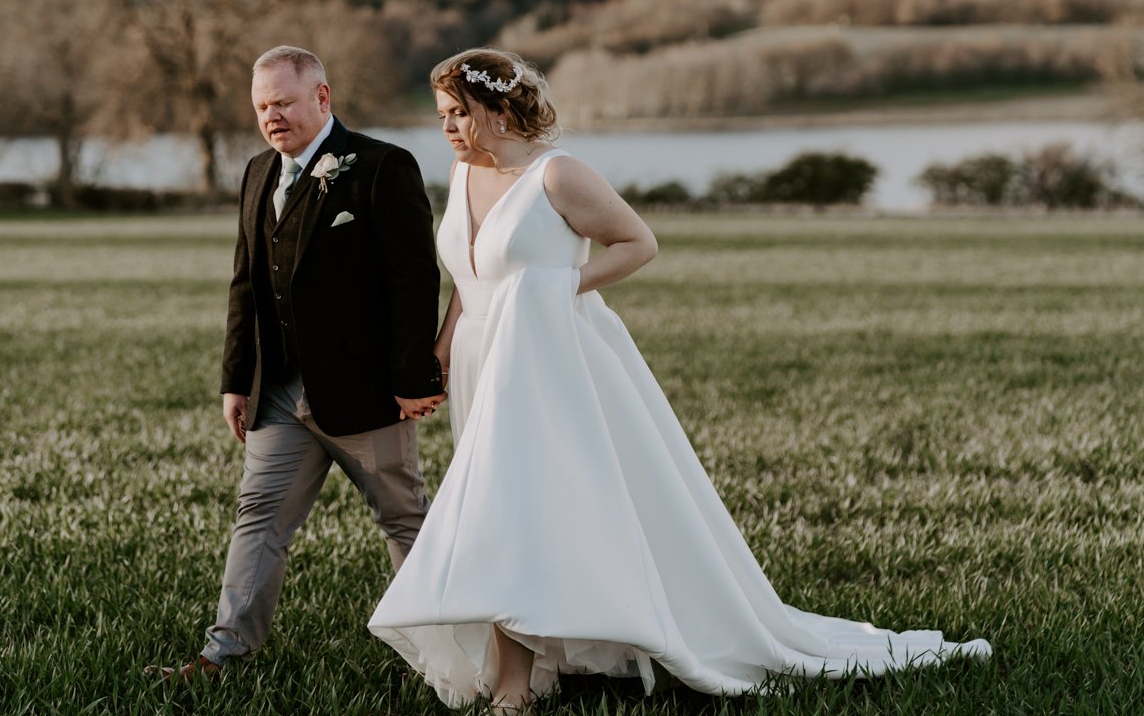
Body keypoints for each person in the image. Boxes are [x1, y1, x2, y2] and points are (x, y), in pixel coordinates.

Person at [368, 48, 991, 712]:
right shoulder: (465, 177)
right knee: (502, 509)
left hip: (547, 360)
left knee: (513, 511)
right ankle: (536, 655)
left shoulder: (558, 176)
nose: (448, 130)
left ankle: (519, 682)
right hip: (479, 359)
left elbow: (638, 243)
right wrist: (438, 351)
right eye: (441, 117)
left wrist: (555, 290)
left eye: (458, 114)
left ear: (497, 110)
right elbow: (469, 280)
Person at [148, 45, 447, 682]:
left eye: (283, 102)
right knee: (257, 517)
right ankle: (225, 654)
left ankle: (446, 657)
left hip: (364, 393)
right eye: (262, 106)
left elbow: (413, 281)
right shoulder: (258, 172)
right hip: (278, 393)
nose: (272, 117)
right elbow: (244, 283)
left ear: (322, 97)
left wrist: (412, 378)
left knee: (403, 521)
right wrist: (236, 379)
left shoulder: (381, 167)